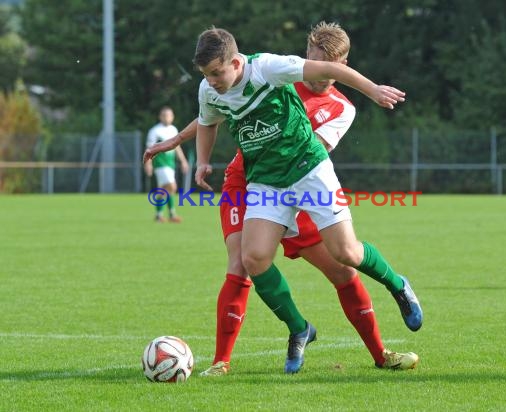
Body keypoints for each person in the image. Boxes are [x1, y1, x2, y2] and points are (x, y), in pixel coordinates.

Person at [143, 23, 422, 375]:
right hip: (261, 179)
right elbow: (210, 115)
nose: (314, 66)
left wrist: (372, 91)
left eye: (322, 62)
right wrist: (189, 150)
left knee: (344, 257)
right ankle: (265, 342)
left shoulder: (285, 77)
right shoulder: (245, 79)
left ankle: (395, 294)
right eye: (312, 58)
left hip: (306, 173)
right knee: (251, 258)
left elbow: (332, 79)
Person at [144, 106, 189, 222]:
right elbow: (149, 149)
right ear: (160, 117)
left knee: (164, 189)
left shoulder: (173, 129)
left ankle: (160, 215)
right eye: (164, 115)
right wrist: (148, 164)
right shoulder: (155, 131)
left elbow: (177, 147)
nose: (167, 117)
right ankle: (171, 214)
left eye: (169, 115)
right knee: (172, 187)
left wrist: (183, 161)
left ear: (172, 117)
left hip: (170, 164)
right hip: (160, 163)